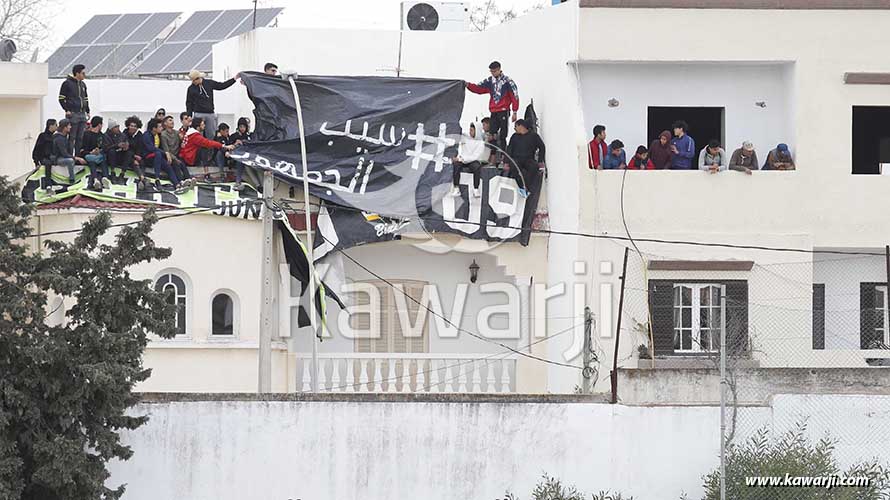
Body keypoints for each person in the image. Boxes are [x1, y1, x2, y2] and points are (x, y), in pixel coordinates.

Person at [466, 61, 519, 156]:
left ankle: (504, 156)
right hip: (493, 111)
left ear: (499, 69)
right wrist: (468, 85)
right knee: (491, 134)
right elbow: (479, 88)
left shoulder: (508, 81)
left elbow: (514, 95)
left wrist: (515, 111)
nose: (493, 73)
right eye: (491, 71)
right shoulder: (489, 81)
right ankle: (493, 157)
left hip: (503, 110)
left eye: (494, 71)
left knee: (503, 135)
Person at [186, 69, 238, 140]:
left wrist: (234, 79)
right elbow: (189, 102)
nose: (193, 82)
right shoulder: (191, 88)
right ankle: (199, 150)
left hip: (209, 113)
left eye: (194, 80)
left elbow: (221, 86)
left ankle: (210, 150)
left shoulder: (208, 83)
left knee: (211, 134)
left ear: (198, 78)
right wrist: (189, 114)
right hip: (198, 113)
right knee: (198, 135)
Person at [504, 119, 545, 197]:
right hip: (516, 158)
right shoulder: (514, 136)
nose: (515, 129)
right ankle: (520, 186)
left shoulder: (533, 136)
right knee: (514, 167)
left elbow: (542, 147)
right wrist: (506, 162)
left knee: (533, 168)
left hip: (529, 158)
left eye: (515, 127)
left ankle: (527, 188)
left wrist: (540, 160)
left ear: (521, 126)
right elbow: (509, 149)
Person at [141, 118, 185, 192]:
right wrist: (165, 153)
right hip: (147, 158)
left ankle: (177, 184)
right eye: (160, 127)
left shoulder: (157, 135)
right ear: (154, 128)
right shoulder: (146, 135)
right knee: (158, 154)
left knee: (168, 166)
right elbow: (151, 148)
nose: (162, 128)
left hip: (157, 157)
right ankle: (157, 179)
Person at [450, 122, 488, 198]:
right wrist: (458, 157)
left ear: (476, 131)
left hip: (472, 161)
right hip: (462, 159)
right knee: (456, 165)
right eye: (470, 130)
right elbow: (459, 146)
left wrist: (462, 159)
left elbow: (476, 156)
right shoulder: (465, 138)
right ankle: (456, 188)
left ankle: (476, 189)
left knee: (477, 166)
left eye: (472, 130)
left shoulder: (481, 143)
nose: (470, 132)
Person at [58, 64, 90, 154]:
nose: (84, 75)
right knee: (72, 137)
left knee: (80, 137)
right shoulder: (67, 83)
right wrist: (67, 109)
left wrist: (87, 110)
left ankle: (78, 156)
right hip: (73, 113)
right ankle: (71, 156)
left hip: (82, 113)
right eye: (83, 73)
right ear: (77, 73)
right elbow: (61, 98)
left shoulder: (83, 84)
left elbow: (86, 98)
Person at [47, 119, 86, 189]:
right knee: (70, 160)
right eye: (69, 126)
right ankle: (72, 180)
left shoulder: (66, 137)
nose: (70, 127)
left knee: (72, 160)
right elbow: (64, 154)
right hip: (57, 158)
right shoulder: (59, 138)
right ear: (64, 128)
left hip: (63, 157)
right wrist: (77, 158)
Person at [161, 115, 194, 188]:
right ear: (165, 123)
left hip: (177, 155)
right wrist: (174, 158)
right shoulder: (163, 135)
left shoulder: (177, 132)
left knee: (182, 163)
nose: (172, 122)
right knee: (176, 163)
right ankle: (181, 181)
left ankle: (188, 179)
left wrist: (182, 140)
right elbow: (166, 149)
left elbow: (183, 142)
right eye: (170, 120)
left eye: (172, 120)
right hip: (169, 156)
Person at [79, 116, 111, 190]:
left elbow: (105, 147)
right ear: (99, 125)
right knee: (92, 162)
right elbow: (82, 149)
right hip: (89, 155)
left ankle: (105, 179)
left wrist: (99, 150)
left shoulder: (102, 135)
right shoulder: (86, 134)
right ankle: (96, 180)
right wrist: (91, 152)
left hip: (99, 155)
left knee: (103, 162)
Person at [121, 116, 147, 187]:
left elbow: (140, 147)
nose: (133, 128)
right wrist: (134, 157)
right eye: (131, 126)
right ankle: (142, 178)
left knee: (141, 162)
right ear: (128, 126)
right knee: (133, 162)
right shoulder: (124, 133)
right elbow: (126, 148)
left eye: (135, 126)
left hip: (135, 154)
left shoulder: (139, 135)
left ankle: (142, 178)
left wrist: (137, 156)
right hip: (125, 155)